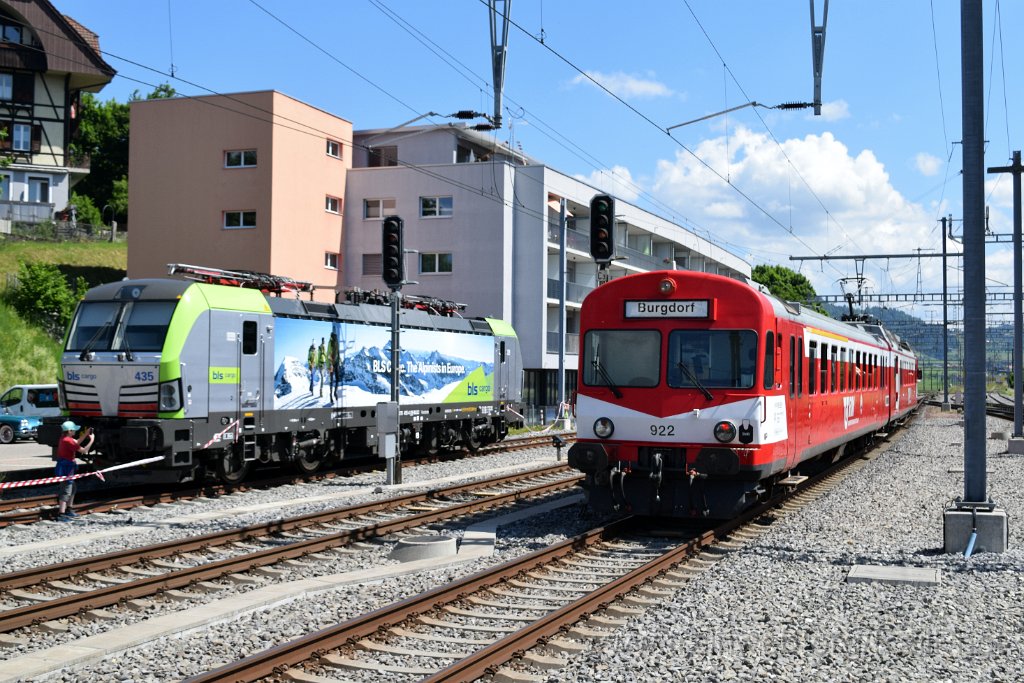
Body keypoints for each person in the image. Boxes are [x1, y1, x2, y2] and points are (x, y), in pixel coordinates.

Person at [56, 420, 93, 521]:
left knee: (72, 487)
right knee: (66, 489)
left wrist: (86, 434)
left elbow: (76, 442)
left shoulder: (64, 438)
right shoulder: (68, 440)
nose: (75, 432)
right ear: (69, 431)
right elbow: (84, 451)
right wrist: (92, 440)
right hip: (66, 467)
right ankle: (61, 514)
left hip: (66, 466)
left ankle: (69, 509)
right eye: (74, 430)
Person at [328, 331, 340, 400]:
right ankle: (331, 394)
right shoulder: (331, 342)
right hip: (331, 364)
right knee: (332, 380)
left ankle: (334, 392)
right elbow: (329, 353)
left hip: (336, 363)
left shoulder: (336, 342)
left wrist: (339, 360)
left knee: (337, 379)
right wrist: (330, 364)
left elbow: (337, 352)